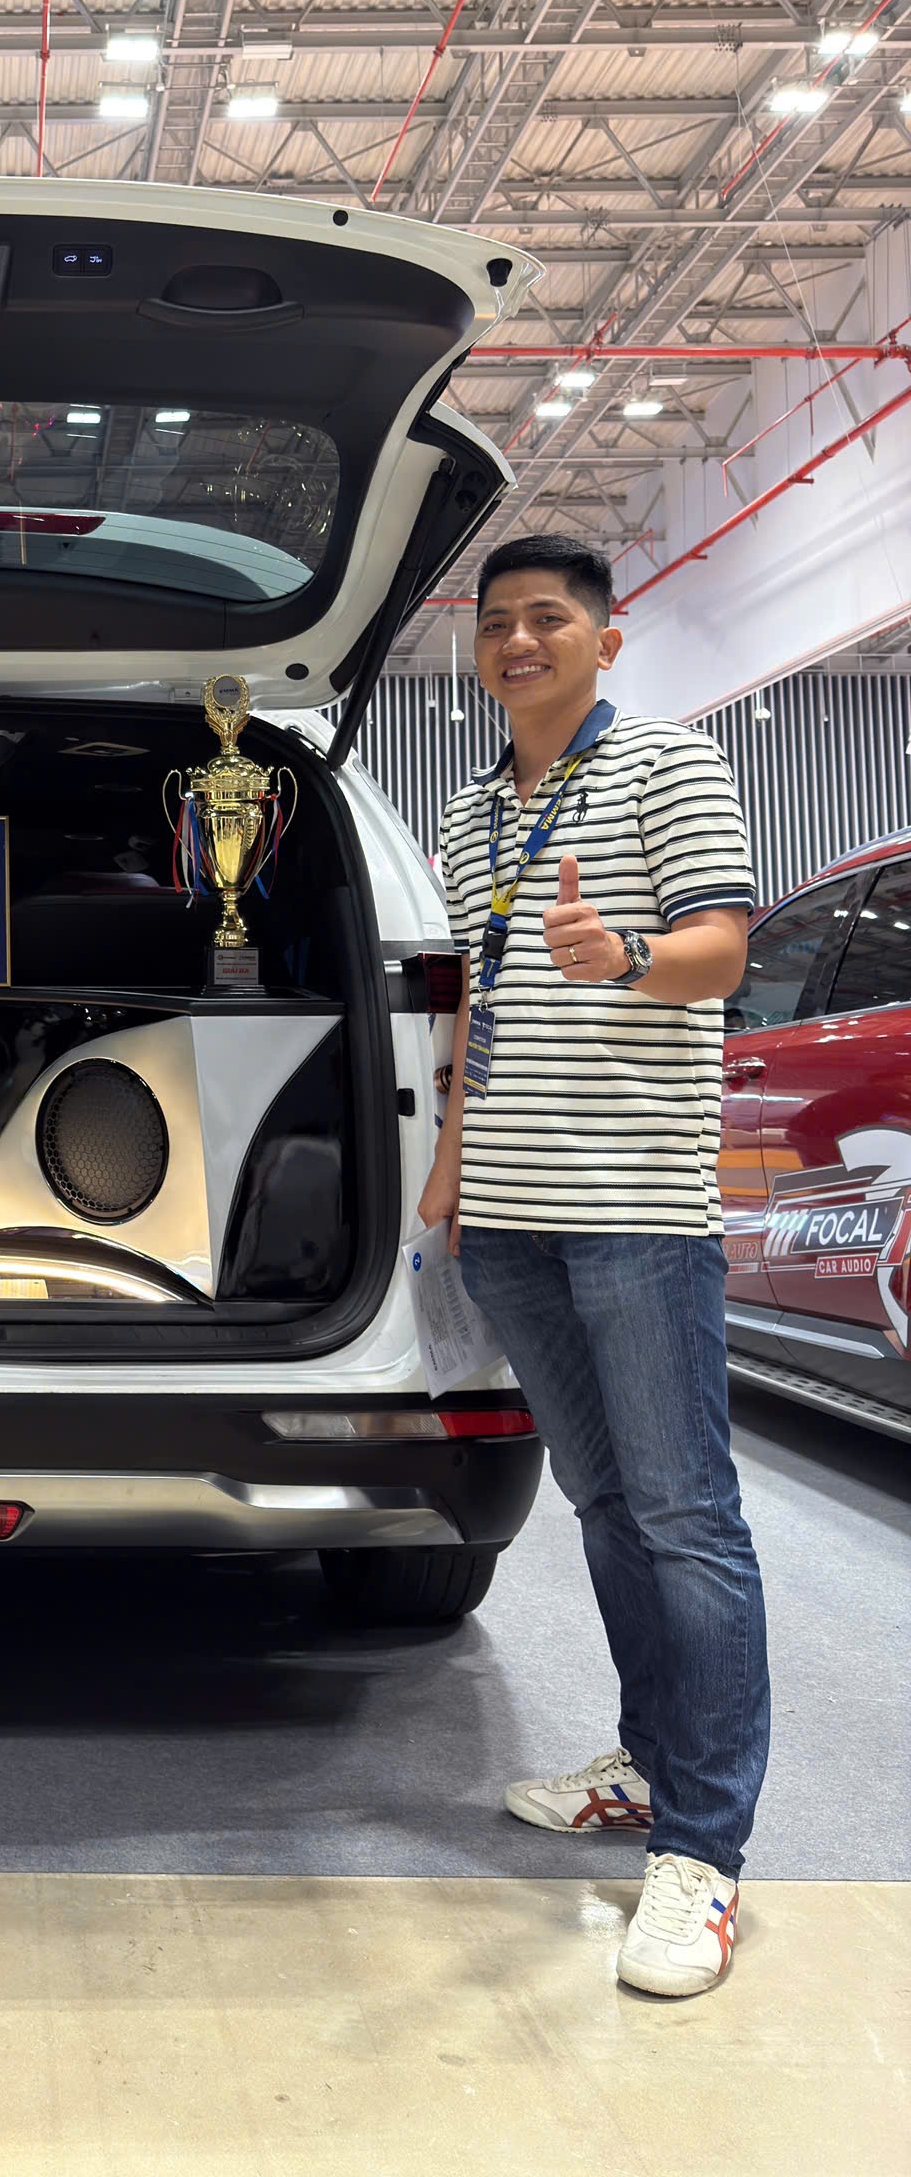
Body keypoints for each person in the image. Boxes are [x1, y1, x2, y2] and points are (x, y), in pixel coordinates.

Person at [418, 535, 766, 2000]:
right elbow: (474, 1011)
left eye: (549, 619)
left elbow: (723, 953)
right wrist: (449, 1170)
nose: (519, 641)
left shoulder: (672, 767)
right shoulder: (465, 813)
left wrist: (623, 954)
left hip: (635, 1210)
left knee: (686, 1516)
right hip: (508, 1215)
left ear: (605, 641)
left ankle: (703, 1852)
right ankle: (645, 1764)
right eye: (497, 622)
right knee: (607, 1506)